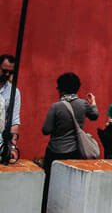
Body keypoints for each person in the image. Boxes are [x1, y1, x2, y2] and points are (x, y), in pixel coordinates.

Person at [41, 73, 98, 209]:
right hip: (74, 153)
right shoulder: (83, 104)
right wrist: (93, 103)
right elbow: (95, 116)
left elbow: (46, 130)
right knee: (71, 187)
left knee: (50, 184)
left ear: (61, 89)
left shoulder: (56, 106)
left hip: (55, 152)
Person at [0, 53, 21, 153]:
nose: (7, 74)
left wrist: (12, 147)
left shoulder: (14, 92)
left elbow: (14, 120)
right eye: (4, 71)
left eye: (10, 72)